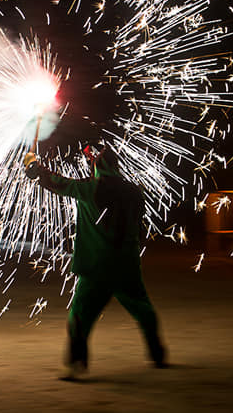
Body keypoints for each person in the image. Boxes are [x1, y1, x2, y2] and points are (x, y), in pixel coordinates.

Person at [23, 145, 166, 379]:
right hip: (128, 264)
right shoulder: (134, 192)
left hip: (98, 267)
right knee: (143, 309)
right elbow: (138, 226)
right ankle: (157, 353)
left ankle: (77, 364)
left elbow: (59, 183)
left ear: (98, 167)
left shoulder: (91, 188)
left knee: (79, 316)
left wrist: (34, 167)